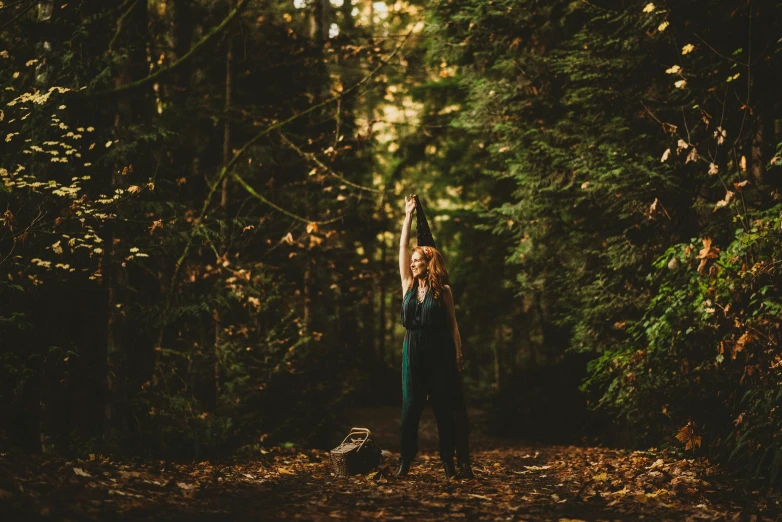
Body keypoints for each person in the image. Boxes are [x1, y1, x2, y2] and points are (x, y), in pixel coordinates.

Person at [395, 194, 473, 479]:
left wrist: (458, 352)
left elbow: (453, 324)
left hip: (439, 351)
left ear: (428, 262)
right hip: (413, 351)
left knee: (444, 410)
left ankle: (449, 462)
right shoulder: (407, 285)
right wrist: (408, 216)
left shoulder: (444, 291)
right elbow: (403, 247)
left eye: (417, 260)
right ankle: (405, 461)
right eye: (412, 261)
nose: (412, 263)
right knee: (409, 411)